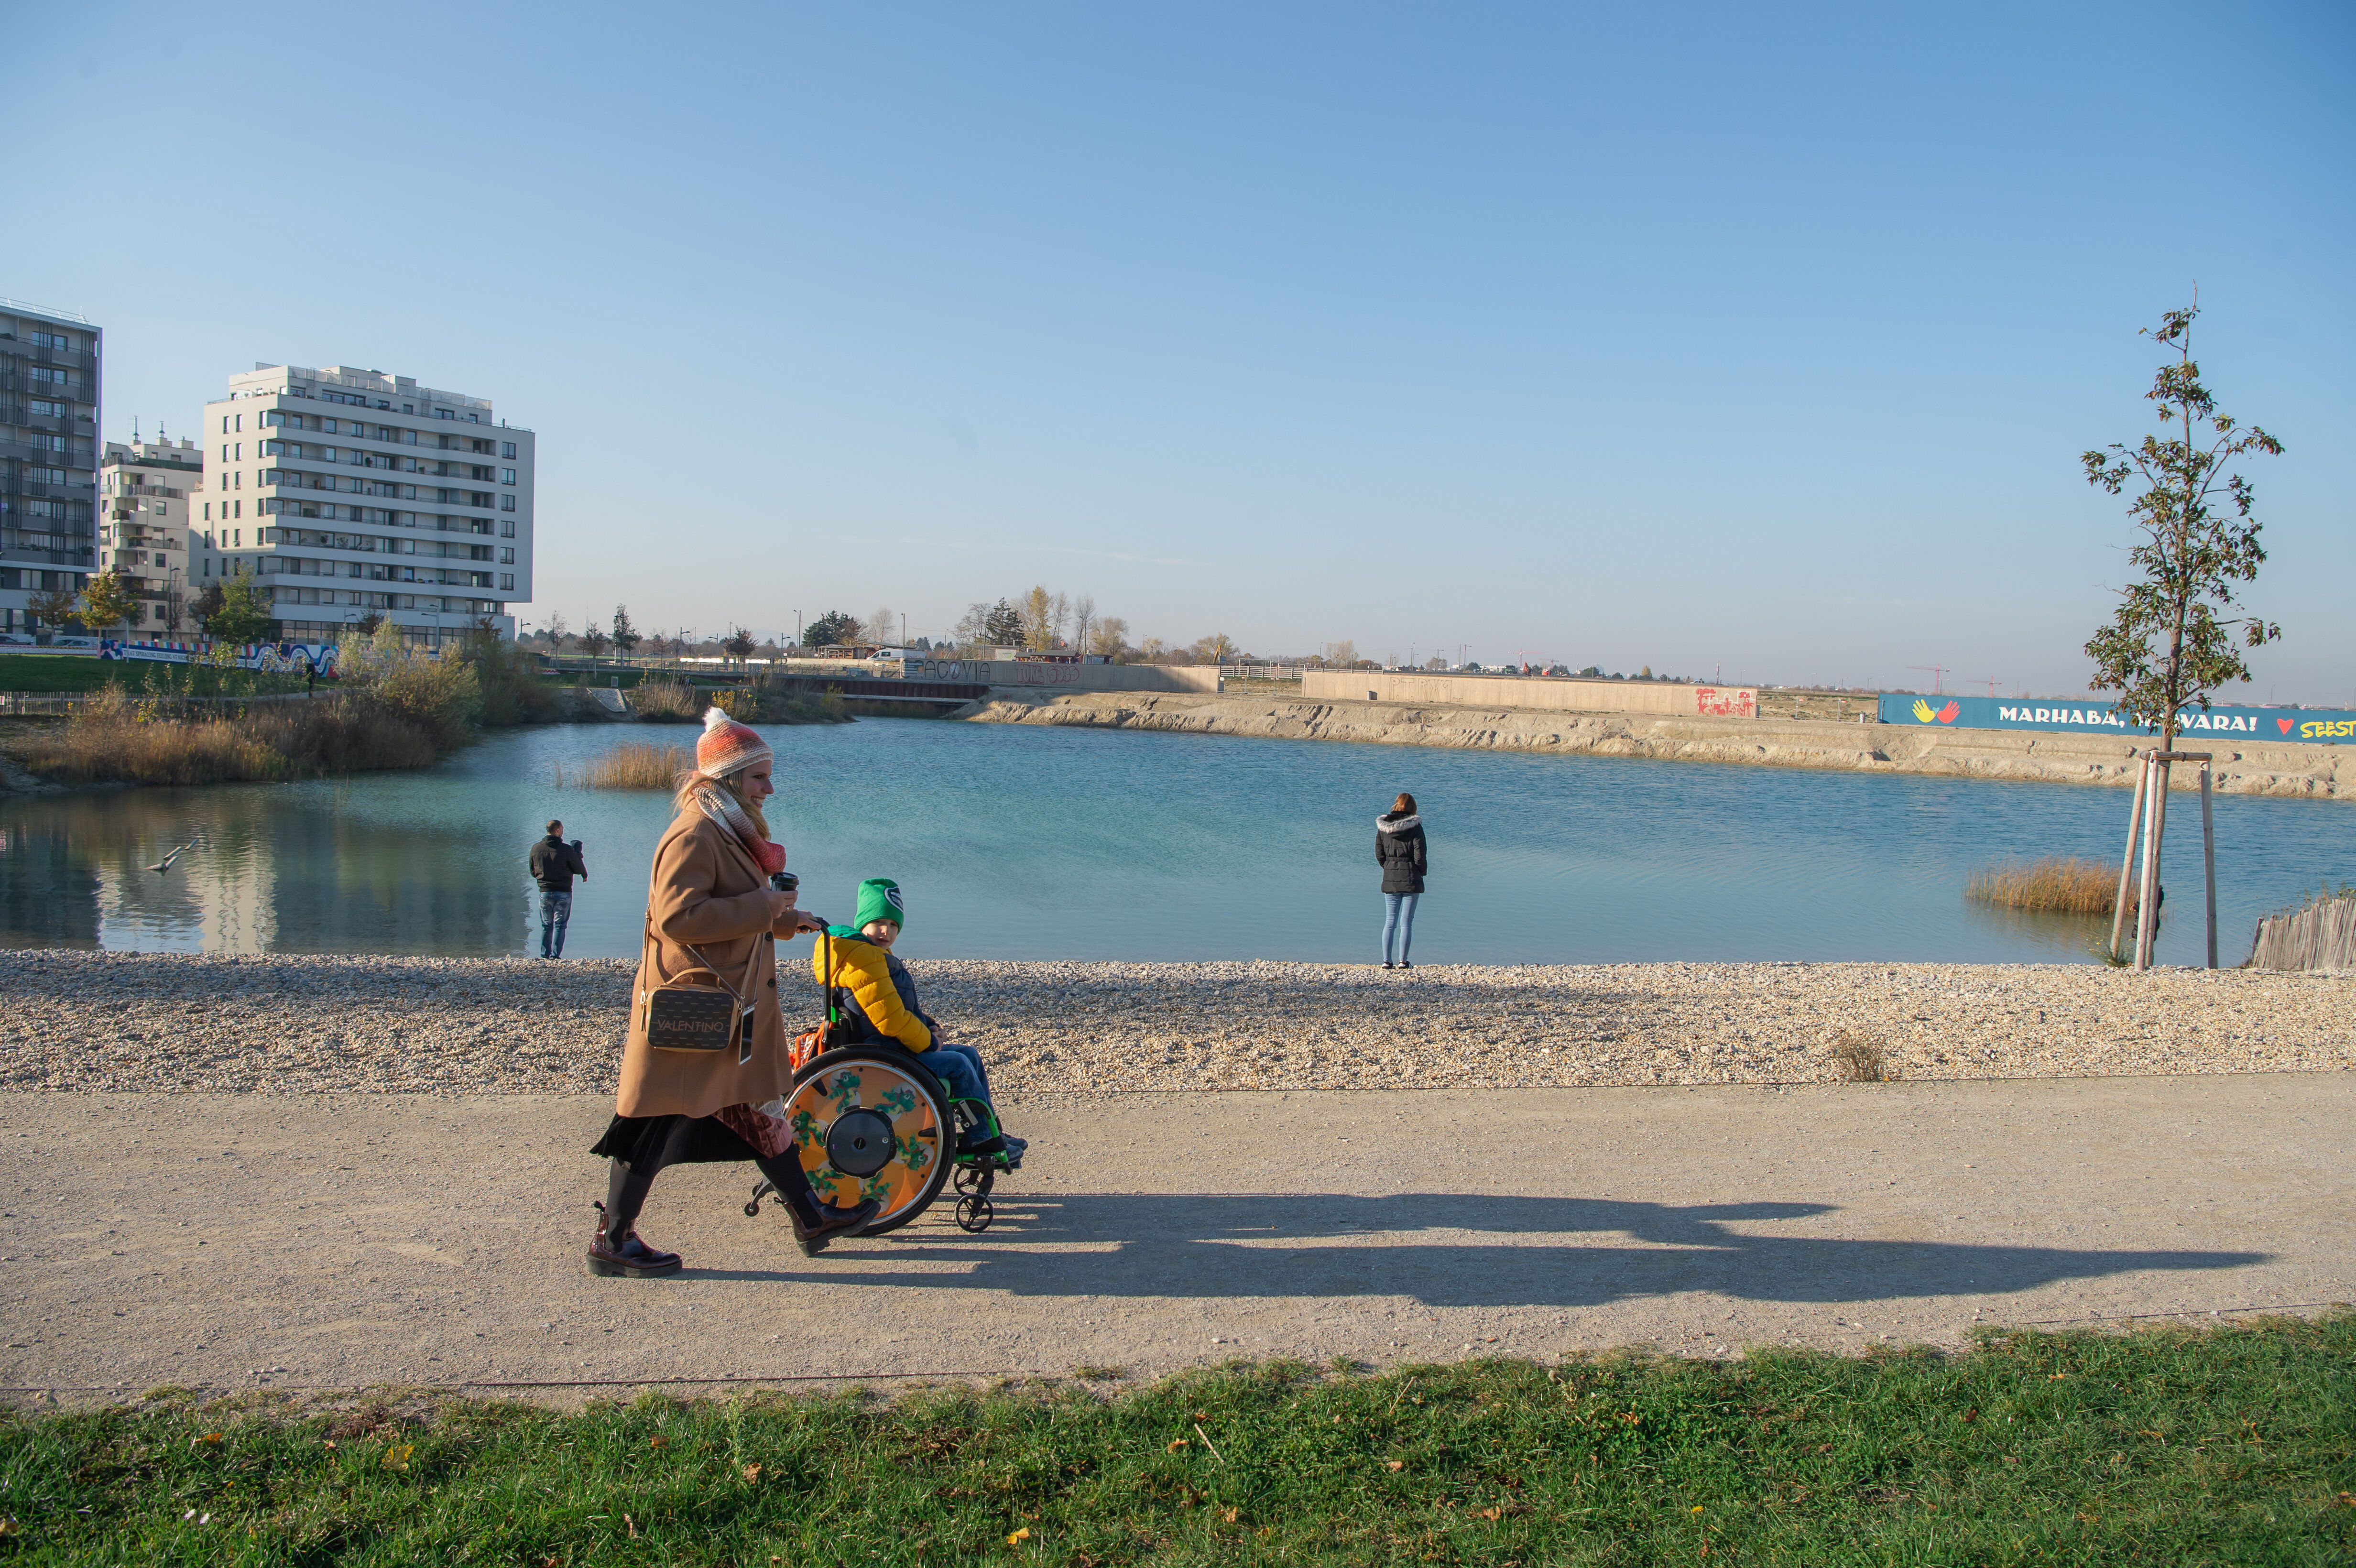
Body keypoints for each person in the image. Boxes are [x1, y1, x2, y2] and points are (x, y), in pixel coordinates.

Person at [585, 708, 880, 1277]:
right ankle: (612, 1239)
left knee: (757, 1110)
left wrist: (783, 922)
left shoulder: (722, 827)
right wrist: (763, 908)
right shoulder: (695, 831)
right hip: (695, 1010)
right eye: (758, 777)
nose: (769, 788)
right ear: (725, 781)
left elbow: (722, 911)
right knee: (656, 1119)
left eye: (767, 776)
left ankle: (812, 1215)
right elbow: (678, 916)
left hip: (723, 1011)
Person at [818, 878, 1025, 1159]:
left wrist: (928, 1025)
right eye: (878, 922)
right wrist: (930, 1043)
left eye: (893, 925)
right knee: (958, 1064)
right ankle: (980, 1139)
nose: (885, 931)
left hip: (890, 1047)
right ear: (861, 923)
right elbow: (890, 1021)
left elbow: (895, 1006)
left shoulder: (872, 954)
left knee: (970, 1054)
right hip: (882, 1055)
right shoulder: (863, 959)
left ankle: (990, 1132)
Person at [1376, 791, 1427, 969]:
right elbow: (1420, 854)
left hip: (1390, 877)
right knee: (1406, 922)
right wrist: (1422, 872)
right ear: (1412, 808)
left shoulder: (1383, 827)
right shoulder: (1415, 827)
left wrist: (1389, 867)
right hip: (1411, 877)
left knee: (1390, 921)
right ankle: (1403, 961)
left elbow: (1379, 854)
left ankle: (1386, 961)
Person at [528, 819, 588, 959]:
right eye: (562, 829)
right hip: (563, 892)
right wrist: (577, 855)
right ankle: (555, 956)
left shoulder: (536, 849)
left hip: (545, 892)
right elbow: (578, 869)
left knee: (546, 925)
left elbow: (532, 871)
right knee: (560, 926)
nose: (563, 831)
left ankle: (545, 954)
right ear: (557, 831)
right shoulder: (566, 850)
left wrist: (542, 879)